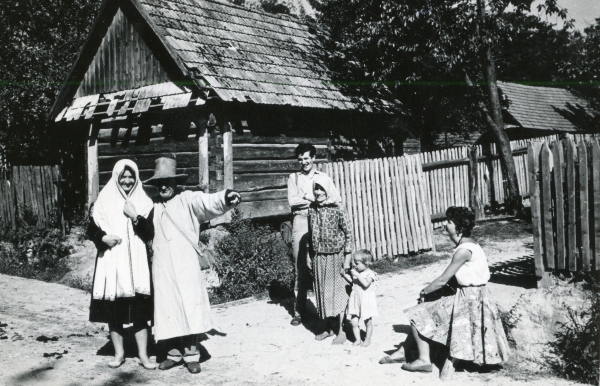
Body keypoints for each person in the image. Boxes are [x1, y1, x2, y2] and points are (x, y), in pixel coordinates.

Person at [379, 207, 510, 373]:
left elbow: (442, 280)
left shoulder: (463, 250)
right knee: (426, 309)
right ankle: (403, 351)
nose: (445, 225)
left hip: (468, 302)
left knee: (417, 313)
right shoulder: (469, 245)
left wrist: (424, 292)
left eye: (449, 222)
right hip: (474, 298)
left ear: (459, 227)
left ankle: (423, 360)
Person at [143, 157, 241, 374]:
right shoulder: (154, 206)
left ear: (175, 182)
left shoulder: (187, 199)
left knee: (189, 307)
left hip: (185, 265)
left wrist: (225, 196)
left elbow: (207, 202)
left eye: (168, 181)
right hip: (163, 267)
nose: (164, 186)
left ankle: (191, 355)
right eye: (160, 183)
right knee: (168, 308)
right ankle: (173, 354)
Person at [88, 159, 156, 369]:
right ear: (116, 177)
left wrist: (135, 216)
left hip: (137, 263)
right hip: (112, 262)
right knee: (114, 312)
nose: (127, 181)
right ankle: (119, 355)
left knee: (140, 313)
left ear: (136, 179)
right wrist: (102, 238)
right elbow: (91, 229)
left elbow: (150, 232)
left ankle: (143, 356)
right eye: (123, 177)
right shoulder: (104, 200)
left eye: (131, 177)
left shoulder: (144, 202)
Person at [287, 143, 342, 327]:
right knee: (300, 266)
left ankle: (327, 312)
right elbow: (292, 201)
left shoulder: (323, 177)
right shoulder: (294, 178)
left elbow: (335, 197)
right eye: (301, 159)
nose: (304, 162)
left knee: (322, 265)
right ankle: (299, 310)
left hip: (321, 220)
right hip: (301, 221)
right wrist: (316, 199)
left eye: (307, 158)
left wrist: (308, 197)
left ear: (313, 158)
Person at [310, 175, 353, 345]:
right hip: (318, 256)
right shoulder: (312, 209)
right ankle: (327, 327)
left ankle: (341, 331)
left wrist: (348, 257)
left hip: (336, 255)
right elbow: (310, 232)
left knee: (338, 293)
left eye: (322, 189)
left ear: (329, 190)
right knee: (322, 293)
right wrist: (309, 254)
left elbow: (349, 233)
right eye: (316, 188)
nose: (318, 192)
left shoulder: (338, 208)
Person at [342, 249, 378, 347]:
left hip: (365, 300)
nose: (354, 265)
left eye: (357, 263)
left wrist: (357, 275)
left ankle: (367, 339)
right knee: (354, 321)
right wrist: (345, 275)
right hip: (355, 299)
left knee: (368, 321)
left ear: (366, 263)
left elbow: (366, 284)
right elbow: (353, 282)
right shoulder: (357, 272)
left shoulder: (370, 274)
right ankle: (357, 339)